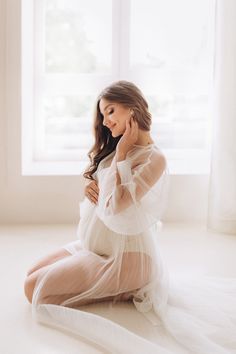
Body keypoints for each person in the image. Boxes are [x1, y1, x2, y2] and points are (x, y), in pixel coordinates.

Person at [24, 81, 236, 354]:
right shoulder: (117, 147)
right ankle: (111, 284)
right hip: (96, 248)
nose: (106, 121)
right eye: (102, 115)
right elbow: (106, 190)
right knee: (32, 273)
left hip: (126, 258)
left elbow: (117, 206)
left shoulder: (154, 158)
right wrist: (90, 185)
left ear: (132, 106)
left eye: (110, 111)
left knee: (33, 289)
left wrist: (122, 155)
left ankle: (126, 287)